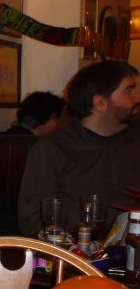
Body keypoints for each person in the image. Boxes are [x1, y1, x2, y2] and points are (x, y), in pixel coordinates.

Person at [18, 61, 140, 237]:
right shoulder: (52, 148)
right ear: (100, 103)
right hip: (77, 256)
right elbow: (33, 220)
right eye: (129, 91)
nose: (137, 97)